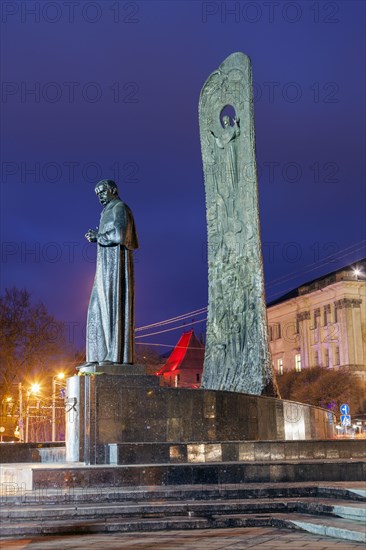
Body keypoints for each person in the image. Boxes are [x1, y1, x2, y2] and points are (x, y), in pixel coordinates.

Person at [84, 179, 139, 365]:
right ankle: (96, 356)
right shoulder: (106, 211)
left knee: (112, 306)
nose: (100, 196)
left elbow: (120, 235)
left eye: (102, 191)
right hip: (104, 267)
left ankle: (114, 356)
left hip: (115, 267)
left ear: (113, 190)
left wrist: (97, 237)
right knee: (95, 308)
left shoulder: (120, 208)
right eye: (97, 193)